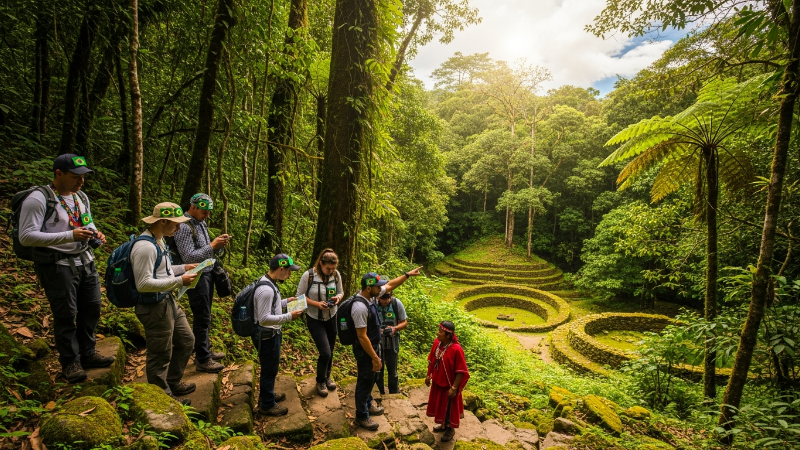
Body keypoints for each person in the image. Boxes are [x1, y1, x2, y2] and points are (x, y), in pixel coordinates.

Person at [18, 154, 114, 383]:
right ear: (58, 174)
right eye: (75, 176)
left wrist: (95, 233)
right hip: (57, 265)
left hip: (86, 261)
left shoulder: (80, 197)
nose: (81, 181)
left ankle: (88, 353)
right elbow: (26, 236)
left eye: (83, 176)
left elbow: (86, 221)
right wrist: (69, 236)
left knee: (92, 308)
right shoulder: (38, 199)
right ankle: (70, 361)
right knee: (66, 314)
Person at [131, 202, 199, 404]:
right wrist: (180, 281)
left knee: (186, 341)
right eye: (175, 224)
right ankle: (162, 399)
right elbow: (143, 284)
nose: (178, 228)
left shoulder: (159, 241)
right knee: (160, 353)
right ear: (162, 221)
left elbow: (163, 271)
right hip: (153, 306)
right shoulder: (145, 247)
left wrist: (183, 268)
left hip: (167, 301)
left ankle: (172, 381)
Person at [351, 267, 422, 430]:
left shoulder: (371, 297)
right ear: (370, 288)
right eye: (379, 288)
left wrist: (407, 275)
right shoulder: (360, 307)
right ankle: (362, 415)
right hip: (366, 349)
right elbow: (362, 336)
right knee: (365, 380)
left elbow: (390, 286)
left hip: (381, 345)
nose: (382, 290)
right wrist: (375, 357)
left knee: (376, 377)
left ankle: (370, 403)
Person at [172, 193, 231, 373]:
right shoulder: (184, 227)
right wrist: (212, 246)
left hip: (207, 273)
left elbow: (206, 251)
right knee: (201, 316)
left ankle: (204, 350)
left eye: (209, 212)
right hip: (195, 277)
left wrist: (217, 247)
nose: (207, 215)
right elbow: (189, 257)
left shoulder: (200, 223)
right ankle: (203, 359)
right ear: (193, 207)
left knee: (205, 315)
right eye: (204, 211)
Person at [253, 253, 304, 416]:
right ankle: (267, 404)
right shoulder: (266, 290)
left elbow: (271, 306)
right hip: (267, 335)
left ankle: (267, 394)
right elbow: (263, 319)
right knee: (269, 368)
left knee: (271, 368)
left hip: (271, 333)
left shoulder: (269, 283)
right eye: (289, 271)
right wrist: (289, 316)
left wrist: (285, 302)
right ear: (281, 268)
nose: (290, 274)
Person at [295, 248, 344, 397]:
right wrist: (316, 304)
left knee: (331, 350)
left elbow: (341, 292)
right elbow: (299, 297)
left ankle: (327, 376)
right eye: (328, 268)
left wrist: (337, 298)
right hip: (315, 318)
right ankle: (320, 381)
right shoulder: (309, 275)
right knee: (325, 352)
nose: (330, 271)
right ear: (321, 263)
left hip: (332, 317)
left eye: (333, 268)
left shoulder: (336, 275)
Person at [425, 321, 470, 443]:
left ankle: (450, 429)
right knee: (440, 406)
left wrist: (454, 388)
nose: (437, 333)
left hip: (449, 386)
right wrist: (429, 375)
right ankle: (443, 424)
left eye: (440, 332)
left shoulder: (456, 350)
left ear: (448, 335)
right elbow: (432, 359)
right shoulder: (437, 343)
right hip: (438, 382)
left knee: (449, 408)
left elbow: (461, 371)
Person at [375, 288, 407, 395]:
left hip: (392, 342)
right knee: (378, 369)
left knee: (392, 370)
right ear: (378, 297)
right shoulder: (373, 304)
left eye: (387, 297)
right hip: (377, 342)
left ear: (391, 295)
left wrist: (395, 328)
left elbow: (404, 322)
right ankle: (379, 393)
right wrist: (377, 330)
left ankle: (394, 392)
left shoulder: (396, 304)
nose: (385, 300)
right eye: (382, 298)